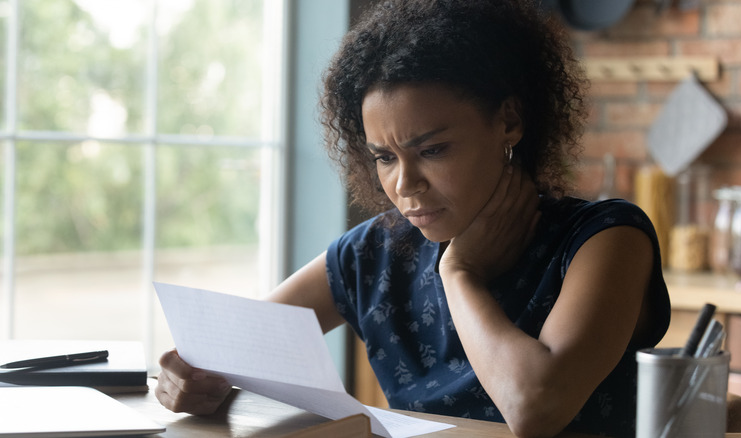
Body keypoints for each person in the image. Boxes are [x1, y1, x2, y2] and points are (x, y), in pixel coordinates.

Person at [154, 0, 671, 437]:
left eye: (434, 149)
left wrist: (459, 273)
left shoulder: (605, 240)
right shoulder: (373, 253)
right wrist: (188, 377)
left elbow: (536, 407)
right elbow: (226, 351)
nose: (404, 184)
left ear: (509, 122)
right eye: (384, 157)